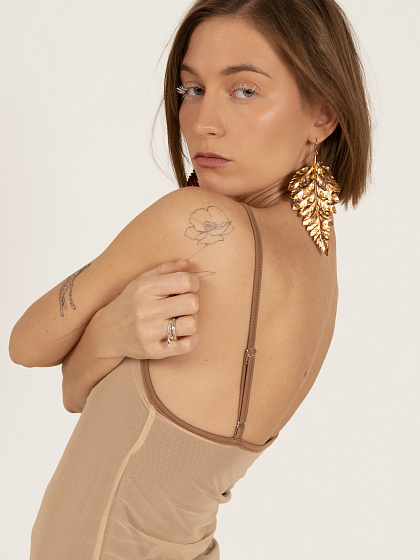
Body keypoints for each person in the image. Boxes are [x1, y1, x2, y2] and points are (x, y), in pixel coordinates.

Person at [9, 0, 371, 558]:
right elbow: (79, 394)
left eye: (244, 90)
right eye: (192, 89)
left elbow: (27, 345)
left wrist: (101, 336)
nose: (204, 122)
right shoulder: (318, 251)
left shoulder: (197, 224)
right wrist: (101, 347)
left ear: (323, 113)